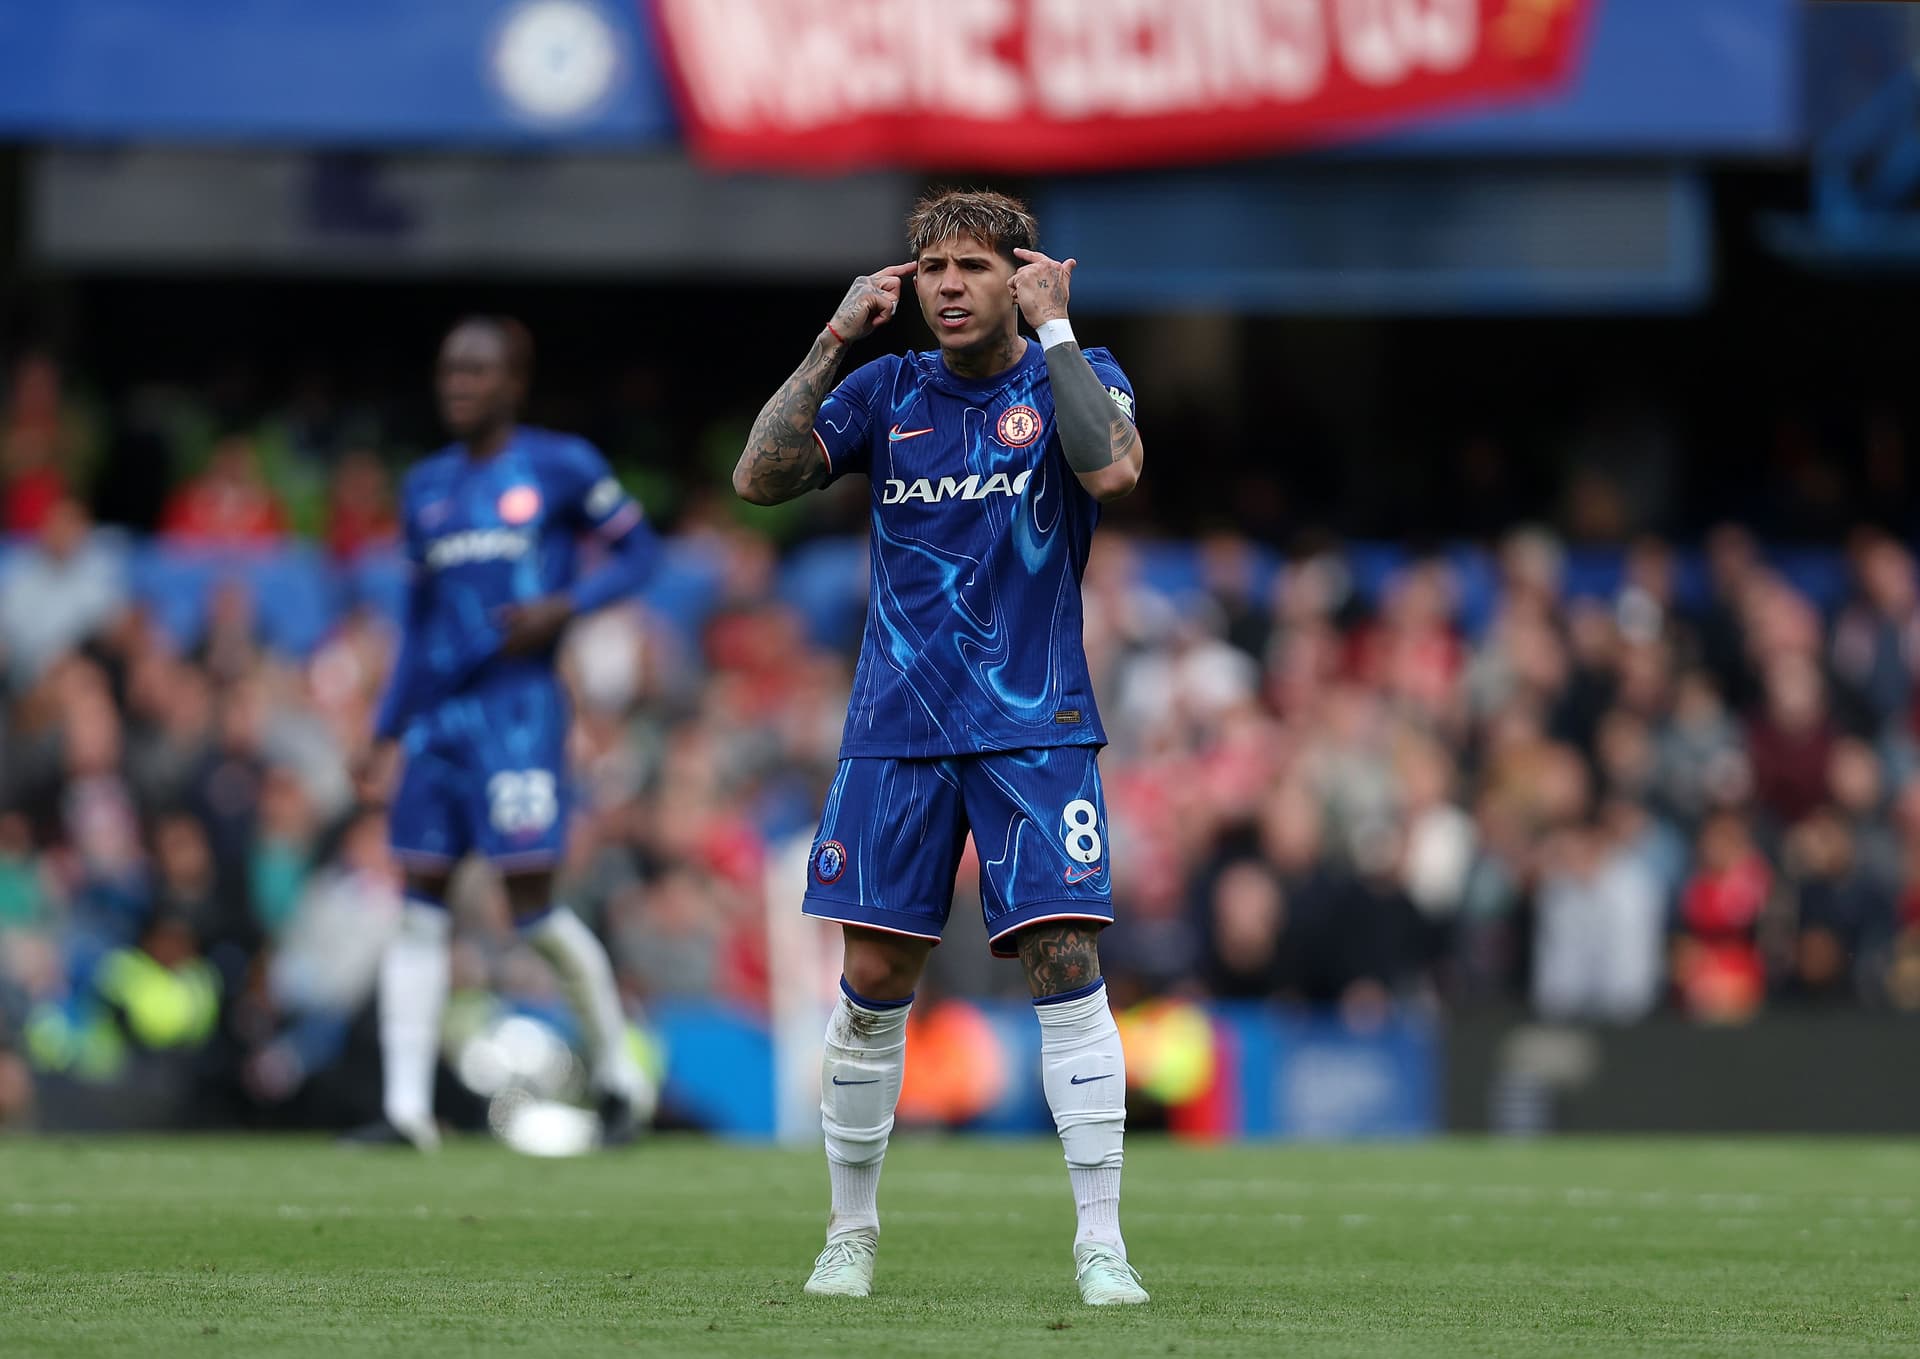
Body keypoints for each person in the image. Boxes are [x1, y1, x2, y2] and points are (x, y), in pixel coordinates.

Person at [731, 190, 1148, 1305]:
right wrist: (831, 341)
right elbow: (758, 479)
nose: (949, 286)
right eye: (930, 271)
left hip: (1034, 724)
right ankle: (850, 1234)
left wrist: (1057, 329)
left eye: (972, 266)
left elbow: (1110, 471)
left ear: (1019, 275)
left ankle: (1101, 1242)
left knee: (1066, 964)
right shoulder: (888, 388)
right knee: (872, 979)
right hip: (899, 730)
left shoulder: (1082, 370)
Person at [348, 317, 656, 1150]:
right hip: (438, 724)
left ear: (514, 383)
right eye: (450, 370)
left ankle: (620, 1075)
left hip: (519, 713)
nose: (458, 384)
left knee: (530, 907)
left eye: (477, 371)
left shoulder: (561, 465)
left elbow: (639, 553)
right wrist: (386, 728)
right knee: (418, 903)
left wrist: (567, 605)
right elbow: (416, 623)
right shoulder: (427, 487)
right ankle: (407, 1113)